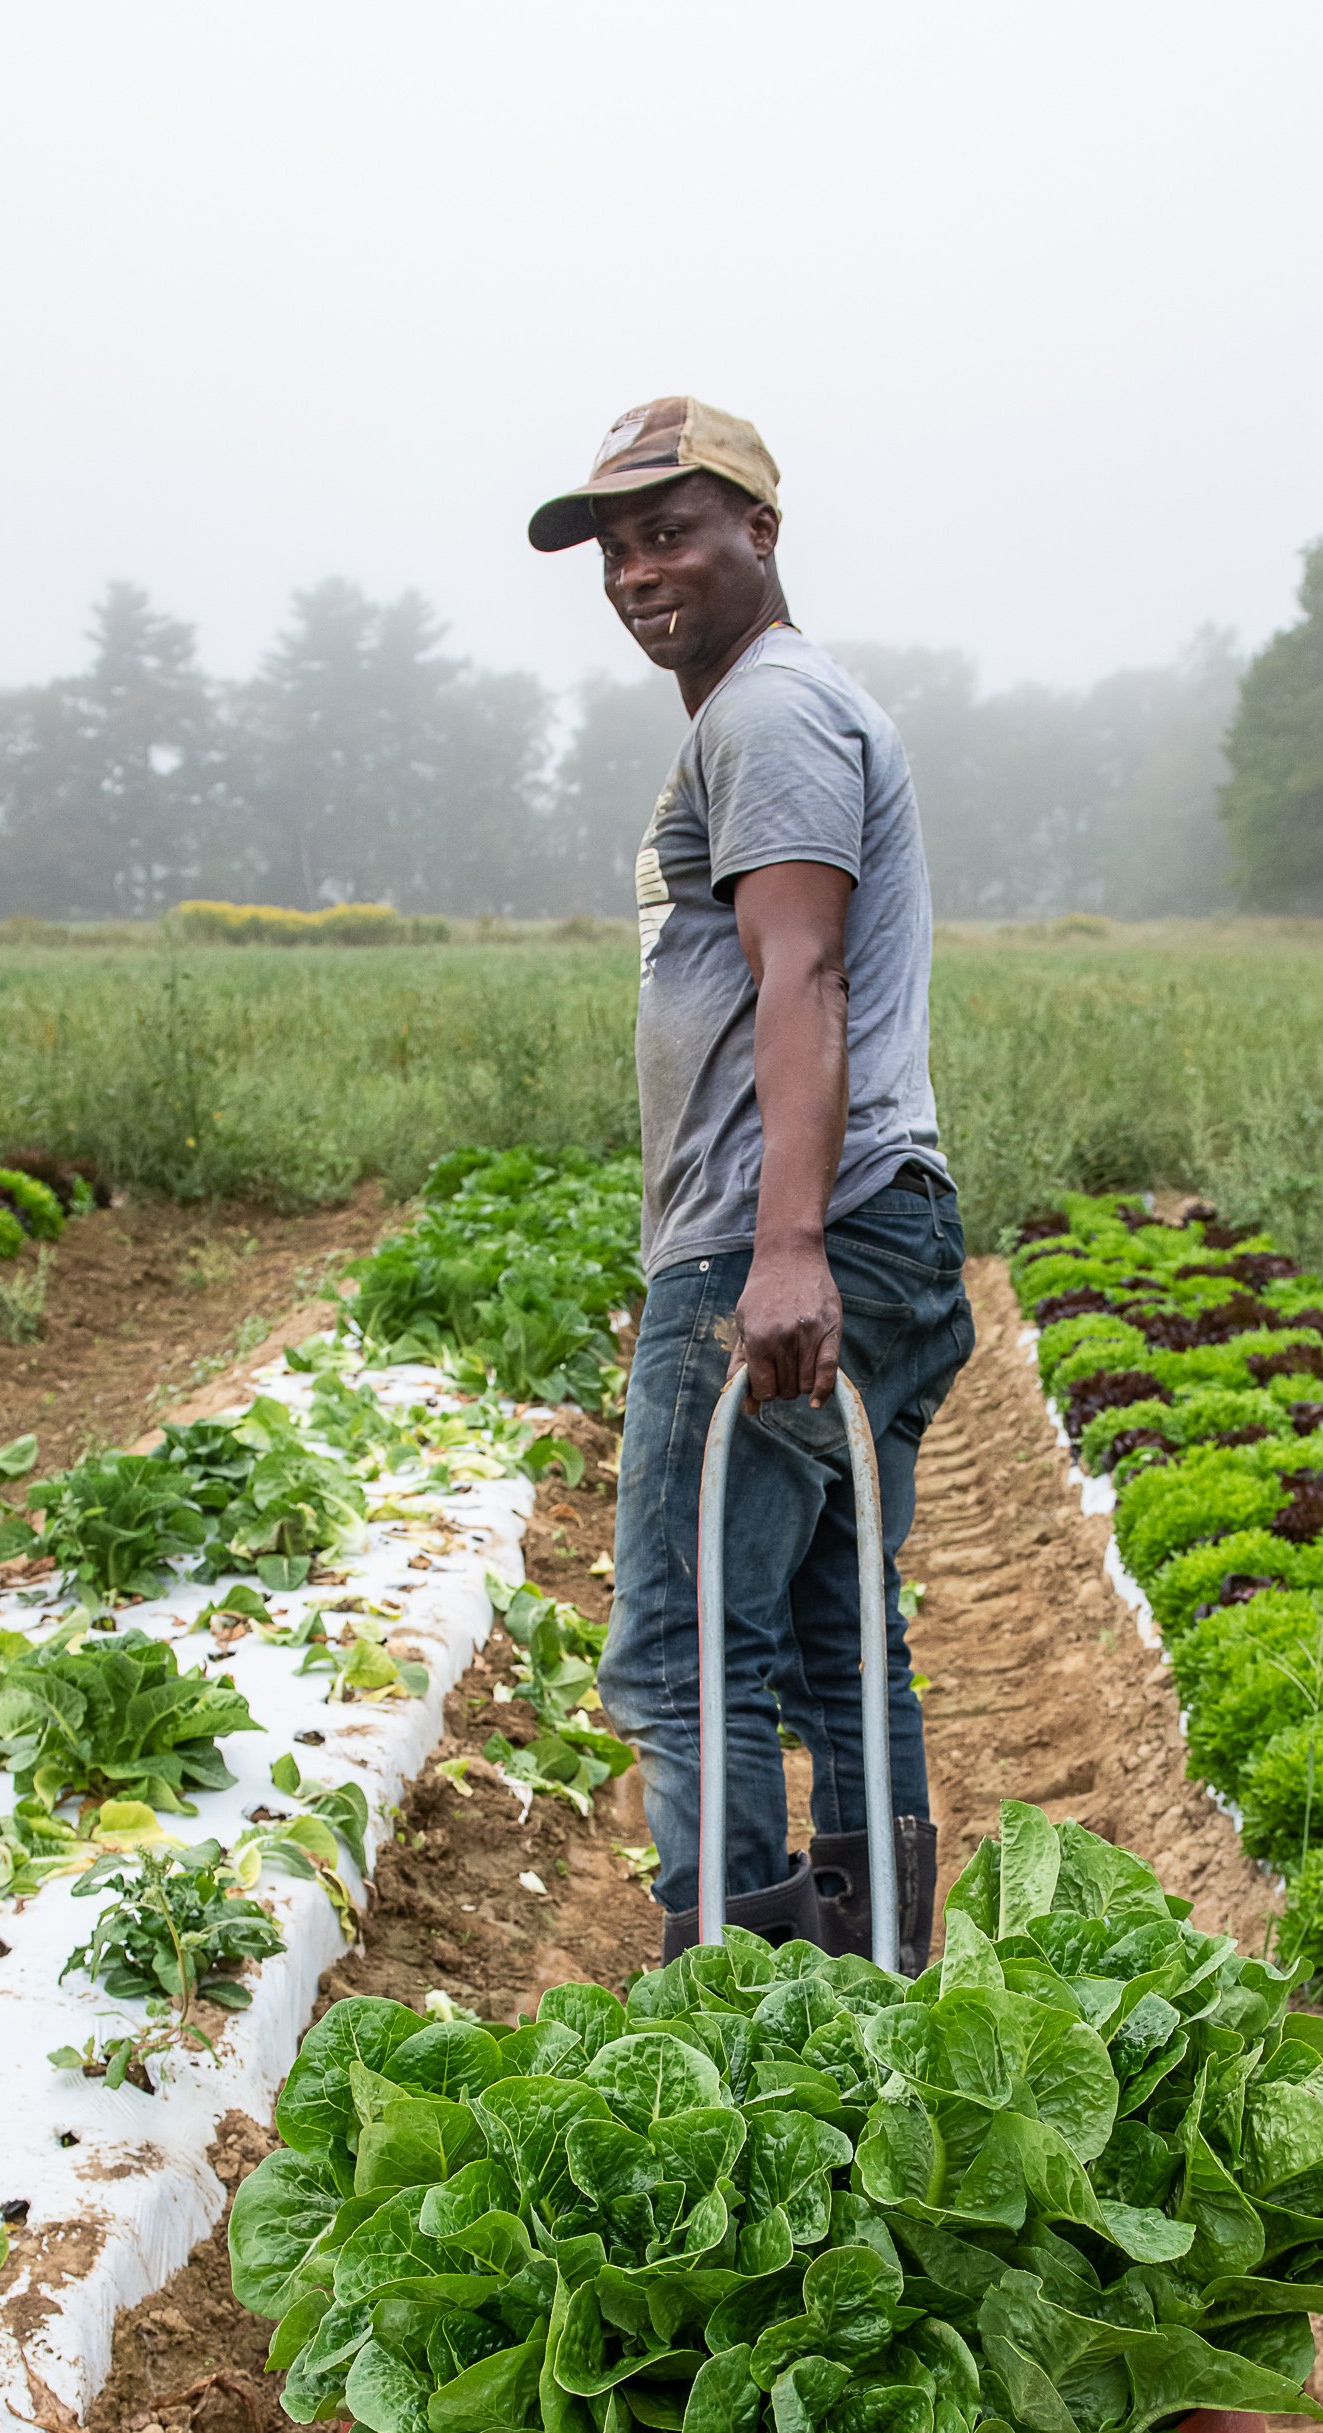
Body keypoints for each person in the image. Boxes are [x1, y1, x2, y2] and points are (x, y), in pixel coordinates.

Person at [528, 395, 973, 1971]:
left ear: (760, 533)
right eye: (616, 547)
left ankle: (734, 2044)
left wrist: (782, 1248)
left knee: (678, 1652)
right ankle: (874, 2002)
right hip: (882, 1223)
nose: (639, 572)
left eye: (672, 532)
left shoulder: (768, 716)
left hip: (781, 1242)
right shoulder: (783, 706)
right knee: (841, 1645)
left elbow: (806, 978)